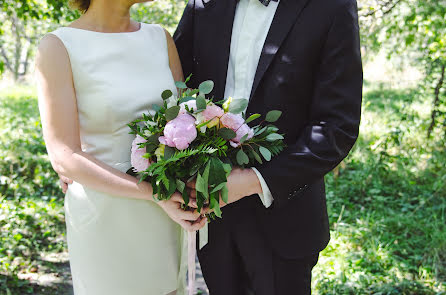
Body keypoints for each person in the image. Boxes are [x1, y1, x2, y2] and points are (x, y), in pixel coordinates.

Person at [174, 0, 363, 294]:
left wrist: (252, 181)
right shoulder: (204, 4)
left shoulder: (332, 7)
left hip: (285, 217)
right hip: (211, 213)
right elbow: (172, 85)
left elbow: (336, 126)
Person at [35, 0, 207, 294]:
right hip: (105, 212)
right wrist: (155, 195)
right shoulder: (57, 46)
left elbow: (185, 119)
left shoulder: (159, 38)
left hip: (166, 212)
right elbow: (64, 156)